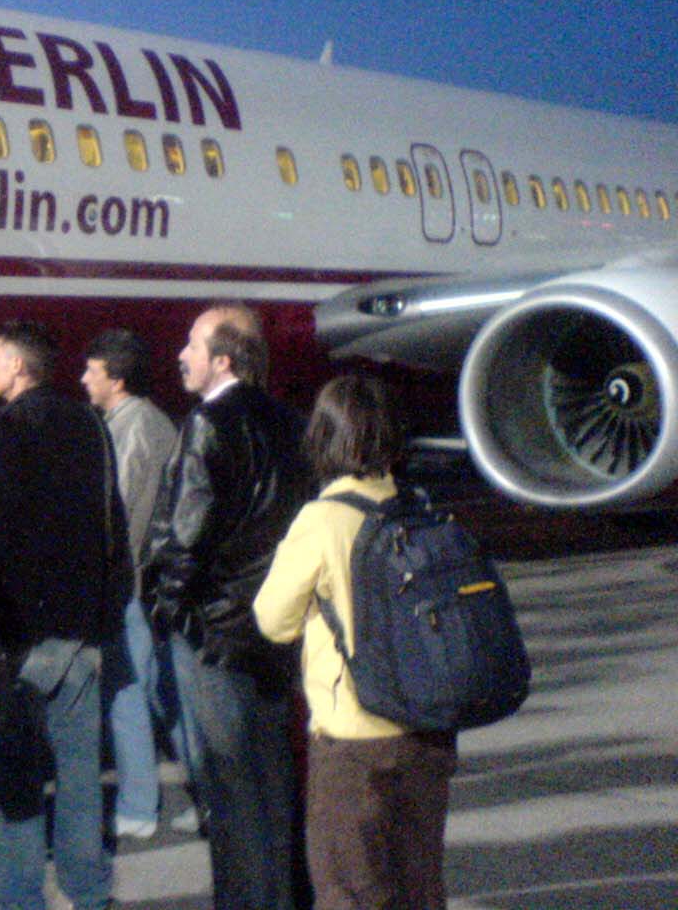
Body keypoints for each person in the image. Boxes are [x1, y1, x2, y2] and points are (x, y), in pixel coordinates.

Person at [254, 376, 457, 910]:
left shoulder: (322, 520)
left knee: (349, 890)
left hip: (352, 736)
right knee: (420, 885)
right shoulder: (417, 505)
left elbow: (272, 619)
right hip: (428, 728)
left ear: (322, 437)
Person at [141, 304, 309, 910]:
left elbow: (185, 535)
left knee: (230, 792)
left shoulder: (209, 424)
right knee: (274, 784)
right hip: (277, 626)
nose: (180, 355)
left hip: (218, 631)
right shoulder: (291, 423)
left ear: (223, 360)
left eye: (191, 344)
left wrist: (167, 607)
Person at [0, 319, 131, 910]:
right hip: (83, 627)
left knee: (17, 777)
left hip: (25, 633)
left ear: (19, 366)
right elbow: (109, 519)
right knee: (80, 773)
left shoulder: (6, 429)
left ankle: (18, 894)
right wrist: (105, 610)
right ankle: (87, 889)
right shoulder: (90, 423)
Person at [80, 328, 192, 840]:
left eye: (92, 371)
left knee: (130, 691)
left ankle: (140, 805)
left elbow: (126, 516)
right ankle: (206, 796)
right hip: (149, 583)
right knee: (160, 691)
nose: (83, 379)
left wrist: (106, 579)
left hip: (133, 584)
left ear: (116, 379)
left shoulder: (135, 428)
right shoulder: (137, 422)